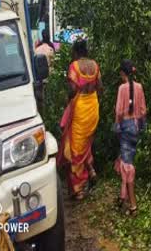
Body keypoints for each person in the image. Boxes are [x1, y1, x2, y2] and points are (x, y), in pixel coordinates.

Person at [59, 40, 102, 200]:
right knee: (85, 143)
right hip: (93, 107)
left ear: (76, 52)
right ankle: (91, 171)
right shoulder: (95, 65)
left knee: (75, 148)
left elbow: (72, 89)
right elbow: (100, 87)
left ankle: (79, 188)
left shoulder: (74, 66)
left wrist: (67, 101)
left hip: (80, 108)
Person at [114, 60, 147, 215]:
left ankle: (133, 205)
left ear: (123, 73)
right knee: (126, 159)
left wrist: (117, 126)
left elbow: (119, 112)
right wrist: (141, 127)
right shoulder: (139, 87)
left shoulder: (122, 88)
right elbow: (143, 111)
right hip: (136, 127)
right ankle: (123, 196)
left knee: (127, 166)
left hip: (126, 126)